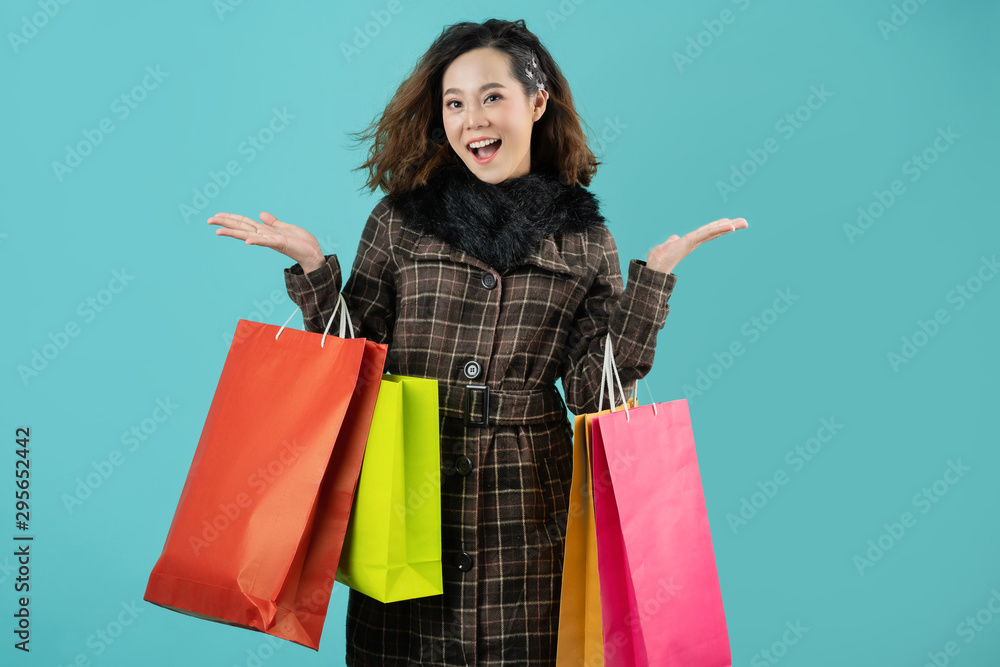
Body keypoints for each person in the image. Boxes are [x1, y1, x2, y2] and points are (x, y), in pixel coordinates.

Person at [208, 18, 747, 667]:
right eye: (455, 102)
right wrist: (315, 270)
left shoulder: (585, 241)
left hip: (529, 516)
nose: (472, 120)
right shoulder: (399, 222)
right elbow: (352, 371)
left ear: (537, 101)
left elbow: (592, 394)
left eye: (492, 96)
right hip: (404, 500)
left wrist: (651, 287)